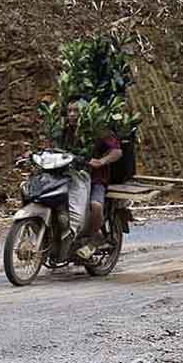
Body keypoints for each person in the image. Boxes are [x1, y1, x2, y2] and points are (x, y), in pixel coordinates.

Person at [57, 99, 122, 258]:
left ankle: (94, 238)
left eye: (76, 111)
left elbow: (117, 151)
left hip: (95, 178)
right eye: (69, 111)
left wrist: (101, 162)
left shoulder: (98, 130)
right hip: (69, 176)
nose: (72, 114)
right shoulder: (63, 131)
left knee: (95, 205)